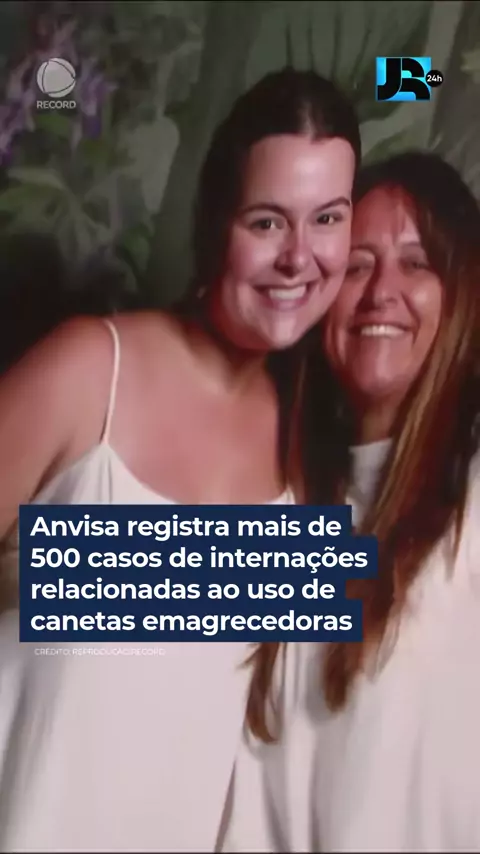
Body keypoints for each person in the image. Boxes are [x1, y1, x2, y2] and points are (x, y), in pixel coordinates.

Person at [0, 68, 361, 852]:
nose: (300, 257)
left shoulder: (311, 458)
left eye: (328, 219)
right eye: (267, 222)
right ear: (216, 220)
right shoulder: (89, 368)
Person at [223, 151, 480, 852]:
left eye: (416, 263)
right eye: (358, 266)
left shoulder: (469, 500)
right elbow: (67, 583)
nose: (381, 293)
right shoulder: (283, 509)